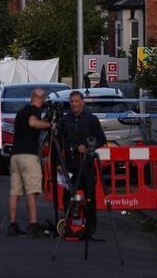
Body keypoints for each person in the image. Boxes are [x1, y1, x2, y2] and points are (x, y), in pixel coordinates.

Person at [62, 90, 107, 238]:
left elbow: (101, 139)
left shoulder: (91, 119)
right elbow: (59, 141)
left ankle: (90, 226)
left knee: (89, 195)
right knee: (68, 194)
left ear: (82, 103)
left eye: (76, 101)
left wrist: (88, 148)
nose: (74, 104)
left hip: (86, 163)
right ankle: (69, 222)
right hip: (70, 163)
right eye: (72, 102)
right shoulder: (66, 119)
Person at [8, 88, 52, 237]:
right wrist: (49, 125)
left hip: (15, 156)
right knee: (31, 191)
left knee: (15, 192)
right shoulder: (34, 110)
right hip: (28, 155)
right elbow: (33, 123)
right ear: (40, 98)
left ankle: (12, 224)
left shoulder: (21, 111)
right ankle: (33, 224)